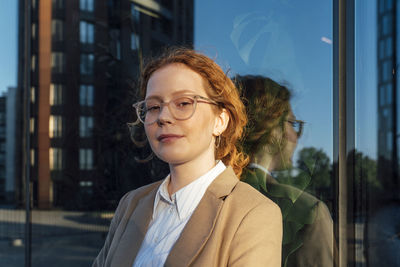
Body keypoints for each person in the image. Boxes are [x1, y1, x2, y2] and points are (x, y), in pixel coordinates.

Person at [92, 48, 283, 267]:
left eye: (183, 103)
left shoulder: (252, 213)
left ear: (220, 121)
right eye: (154, 107)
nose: (163, 117)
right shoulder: (131, 203)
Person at [238, 75, 336, 267]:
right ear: (271, 128)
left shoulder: (203, 195)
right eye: (292, 123)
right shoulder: (307, 212)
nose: (296, 137)